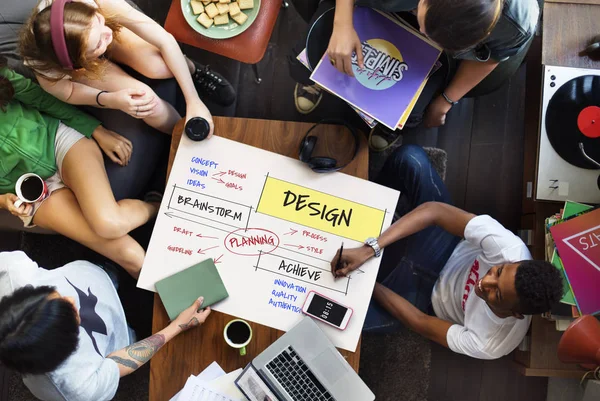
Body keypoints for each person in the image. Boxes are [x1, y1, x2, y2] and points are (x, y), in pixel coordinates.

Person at [330, 144, 564, 360]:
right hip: (444, 244)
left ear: (516, 314)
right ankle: (377, 204)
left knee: (338, 319)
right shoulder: (509, 248)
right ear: (515, 262)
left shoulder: (490, 343)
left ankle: (390, 226)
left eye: (497, 295)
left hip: (422, 297)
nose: (485, 282)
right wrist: (371, 248)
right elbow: (435, 212)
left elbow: (419, 322)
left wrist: (368, 284)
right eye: (499, 271)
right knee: (410, 158)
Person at [0, 56, 154, 278]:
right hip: (29, 193)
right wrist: (4, 201)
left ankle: (157, 205)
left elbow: (45, 101)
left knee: (110, 223)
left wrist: (97, 131)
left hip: (57, 142)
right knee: (133, 257)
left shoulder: (3, 78)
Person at [290, 0, 538, 129]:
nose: (420, 30)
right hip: (367, 6)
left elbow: (493, 57)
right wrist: (342, 23)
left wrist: (445, 103)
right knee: (301, 64)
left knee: (413, 117)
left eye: (429, 32)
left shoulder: (516, 23)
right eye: (423, 21)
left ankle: (386, 125)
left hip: (430, 52)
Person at [0, 251, 212, 401]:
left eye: (55, 294)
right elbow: (117, 364)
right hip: (126, 321)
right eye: (72, 313)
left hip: (98, 269)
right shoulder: (77, 387)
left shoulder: (9, 274)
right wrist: (177, 326)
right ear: (68, 345)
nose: (72, 300)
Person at [20, 0, 236, 137]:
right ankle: (184, 134)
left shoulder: (93, 5)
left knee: (159, 65)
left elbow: (164, 40)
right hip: (79, 60)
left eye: (99, 22)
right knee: (143, 99)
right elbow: (69, 92)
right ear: (78, 64)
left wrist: (193, 100)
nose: (108, 34)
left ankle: (193, 70)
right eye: (99, 44)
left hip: (85, 39)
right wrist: (111, 99)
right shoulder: (46, 67)